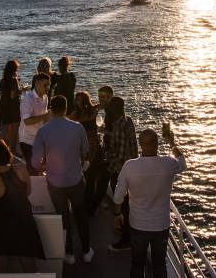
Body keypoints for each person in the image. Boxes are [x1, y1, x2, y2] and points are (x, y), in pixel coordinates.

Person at [113, 128, 186, 278]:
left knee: (137, 264)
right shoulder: (168, 163)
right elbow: (182, 163)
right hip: (161, 225)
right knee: (159, 264)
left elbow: (118, 196)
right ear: (157, 144)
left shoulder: (129, 166)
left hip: (138, 224)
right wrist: (171, 142)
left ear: (140, 144)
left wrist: (117, 215)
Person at [32, 95, 93, 264]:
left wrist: (44, 167)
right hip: (76, 180)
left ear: (51, 109)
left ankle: (69, 253)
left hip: (55, 183)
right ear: (66, 109)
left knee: (63, 216)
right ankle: (87, 251)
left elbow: (35, 162)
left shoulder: (43, 131)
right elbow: (85, 151)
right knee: (80, 215)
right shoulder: (78, 127)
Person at [0, 139, 44, 272]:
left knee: (1, 263)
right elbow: (28, 192)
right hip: (24, 221)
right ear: (6, 153)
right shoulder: (21, 169)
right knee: (27, 261)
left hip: (1, 226)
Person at [104, 96, 139, 251]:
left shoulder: (117, 128)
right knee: (128, 204)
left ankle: (126, 239)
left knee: (122, 205)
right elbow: (132, 146)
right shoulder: (128, 121)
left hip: (119, 172)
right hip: (132, 169)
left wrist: (107, 156)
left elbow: (119, 154)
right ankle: (126, 230)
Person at [69, 92, 106, 215]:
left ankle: (91, 202)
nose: (77, 102)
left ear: (86, 100)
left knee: (92, 175)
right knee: (85, 174)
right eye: (76, 100)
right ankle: (84, 201)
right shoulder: (75, 115)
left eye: (80, 100)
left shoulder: (93, 110)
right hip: (83, 147)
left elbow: (104, 105)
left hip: (94, 146)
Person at [19, 72, 51, 175]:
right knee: (32, 169)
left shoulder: (45, 97)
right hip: (27, 139)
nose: (48, 88)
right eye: (45, 85)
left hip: (39, 138)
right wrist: (45, 116)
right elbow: (27, 121)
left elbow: (44, 119)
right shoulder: (28, 99)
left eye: (49, 85)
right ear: (37, 83)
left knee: (42, 165)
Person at [0, 60, 22, 151]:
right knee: (14, 131)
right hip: (13, 108)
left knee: (5, 131)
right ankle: (13, 150)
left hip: (4, 107)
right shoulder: (14, 80)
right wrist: (21, 91)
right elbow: (12, 96)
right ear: (14, 70)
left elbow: (2, 95)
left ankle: (5, 149)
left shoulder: (2, 81)